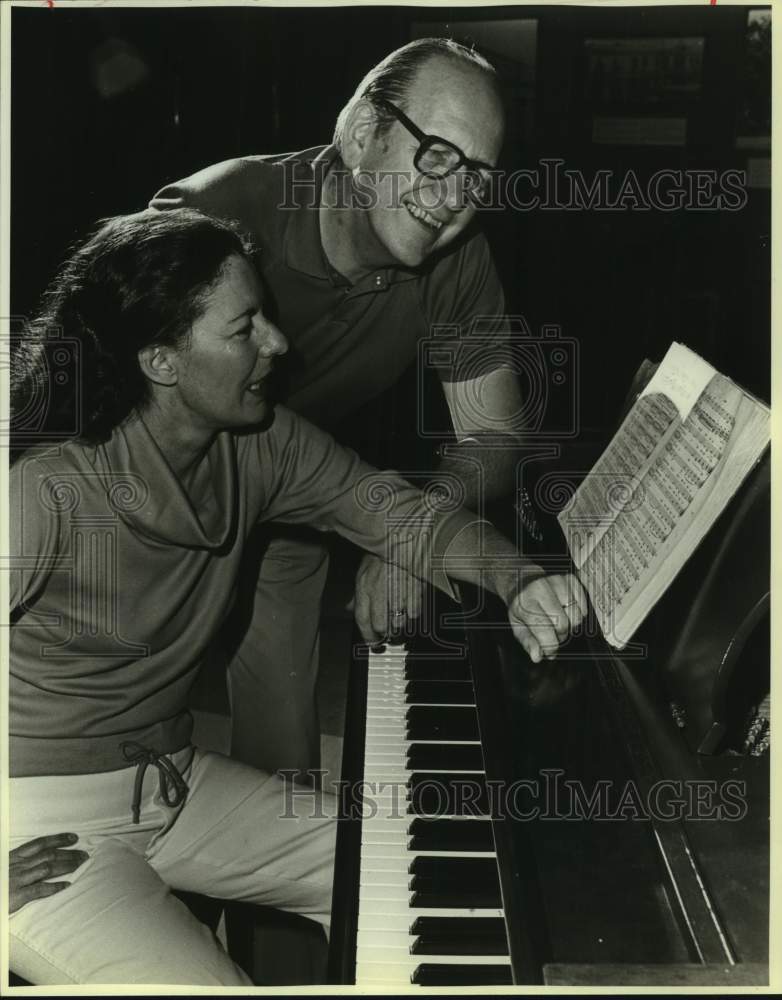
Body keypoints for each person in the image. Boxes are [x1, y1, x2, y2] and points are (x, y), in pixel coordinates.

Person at [7, 208, 586, 985]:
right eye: (244, 327)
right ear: (162, 360)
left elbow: (401, 515)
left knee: (408, 859)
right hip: (42, 835)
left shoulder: (263, 442)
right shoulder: (43, 489)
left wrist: (520, 581)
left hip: (174, 782)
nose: (278, 344)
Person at [151, 37, 523, 780]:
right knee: (117, 754)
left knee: (285, 772)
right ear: (362, 137)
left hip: (298, 501)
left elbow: (495, 435)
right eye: (438, 155)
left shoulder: (456, 257)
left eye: (477, 177)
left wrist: (411, 530)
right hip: (156, 501)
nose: (453, 198)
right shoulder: (215, 215)